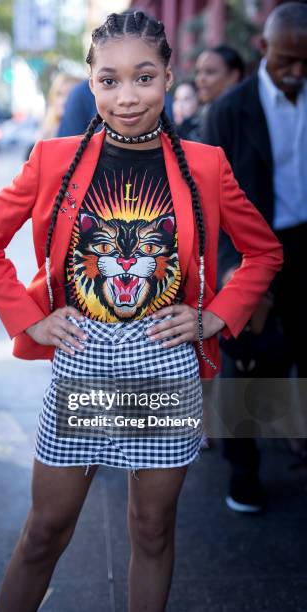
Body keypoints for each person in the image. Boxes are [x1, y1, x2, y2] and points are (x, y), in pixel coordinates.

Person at [0, 11, 283, 611]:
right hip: (84, 364)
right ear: (91, 82)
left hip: (165, 369)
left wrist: (215, 315)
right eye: (109, 80)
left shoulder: (206, 165)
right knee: (45, 532)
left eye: (143, 77)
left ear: (167, 76)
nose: (127, 96)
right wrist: (30, 319)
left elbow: (264, 251)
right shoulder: (52, 160)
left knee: (153, 529)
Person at [203, 1, 307, 513]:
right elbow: (212, 205)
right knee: (245, 365)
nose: (297, 72)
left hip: (305, 242)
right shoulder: (228, 111)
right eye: (288, 59)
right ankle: (242, 475)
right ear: (263, 48)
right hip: (250, 252)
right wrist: (236, 274)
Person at [195, 44, 245, 137]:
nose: (201, 79)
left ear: (233, 76)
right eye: (198, 72)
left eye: (210, 72)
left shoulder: (248, 121)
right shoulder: (190, 124)